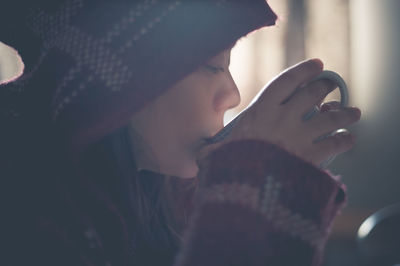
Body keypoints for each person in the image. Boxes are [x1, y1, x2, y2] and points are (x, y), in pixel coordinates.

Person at [0, 0, 361, 265]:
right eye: (211, 66)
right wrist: (257, 183)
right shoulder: (26, 206)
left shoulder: (155, 201)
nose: (233, 95)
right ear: (119, 86)